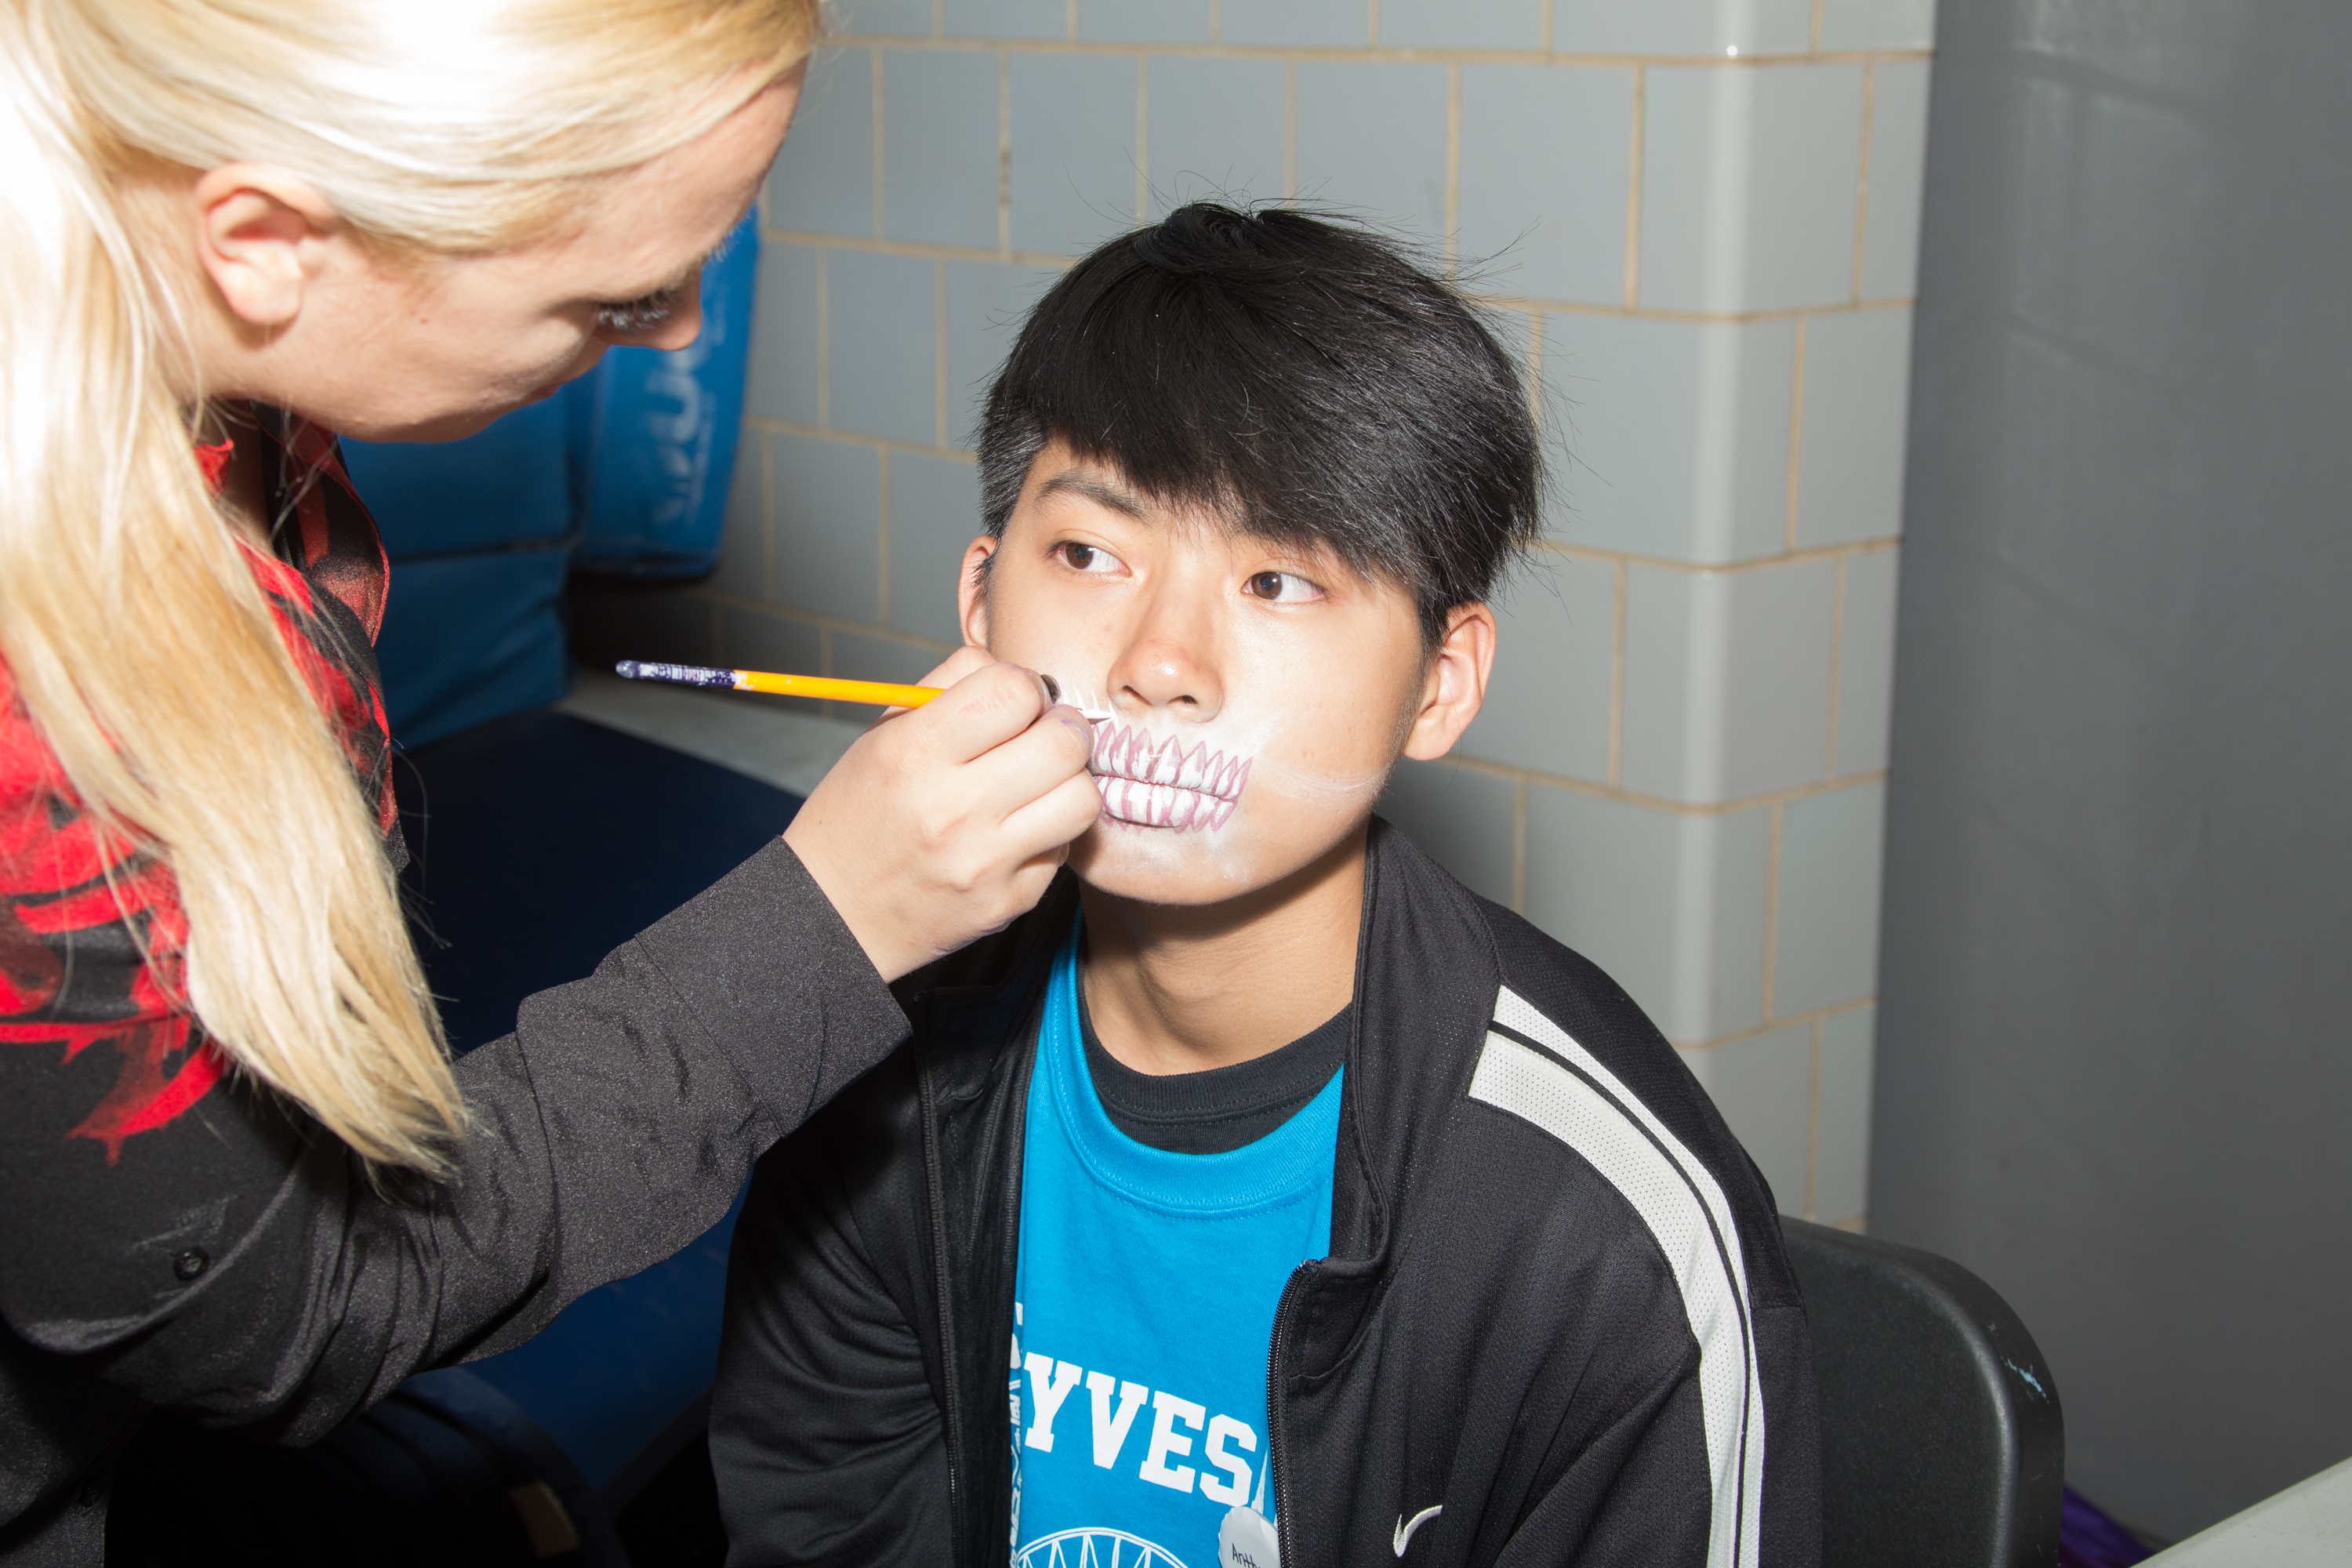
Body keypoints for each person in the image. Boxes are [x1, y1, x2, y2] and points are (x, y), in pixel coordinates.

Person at [0, 1, 1102, 1559]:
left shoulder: (212, 399)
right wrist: (830, 924)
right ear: (264, 244)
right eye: (617, 300)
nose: (680, 336)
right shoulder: (38, 748)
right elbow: (275, 1309)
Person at [709, 203, 1823, 1568]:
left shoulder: (1602, 1234)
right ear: (981, 603)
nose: (1161, 663)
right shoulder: (870, 1056)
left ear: (1441, 684)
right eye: (1091, 555)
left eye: (1280, 579)